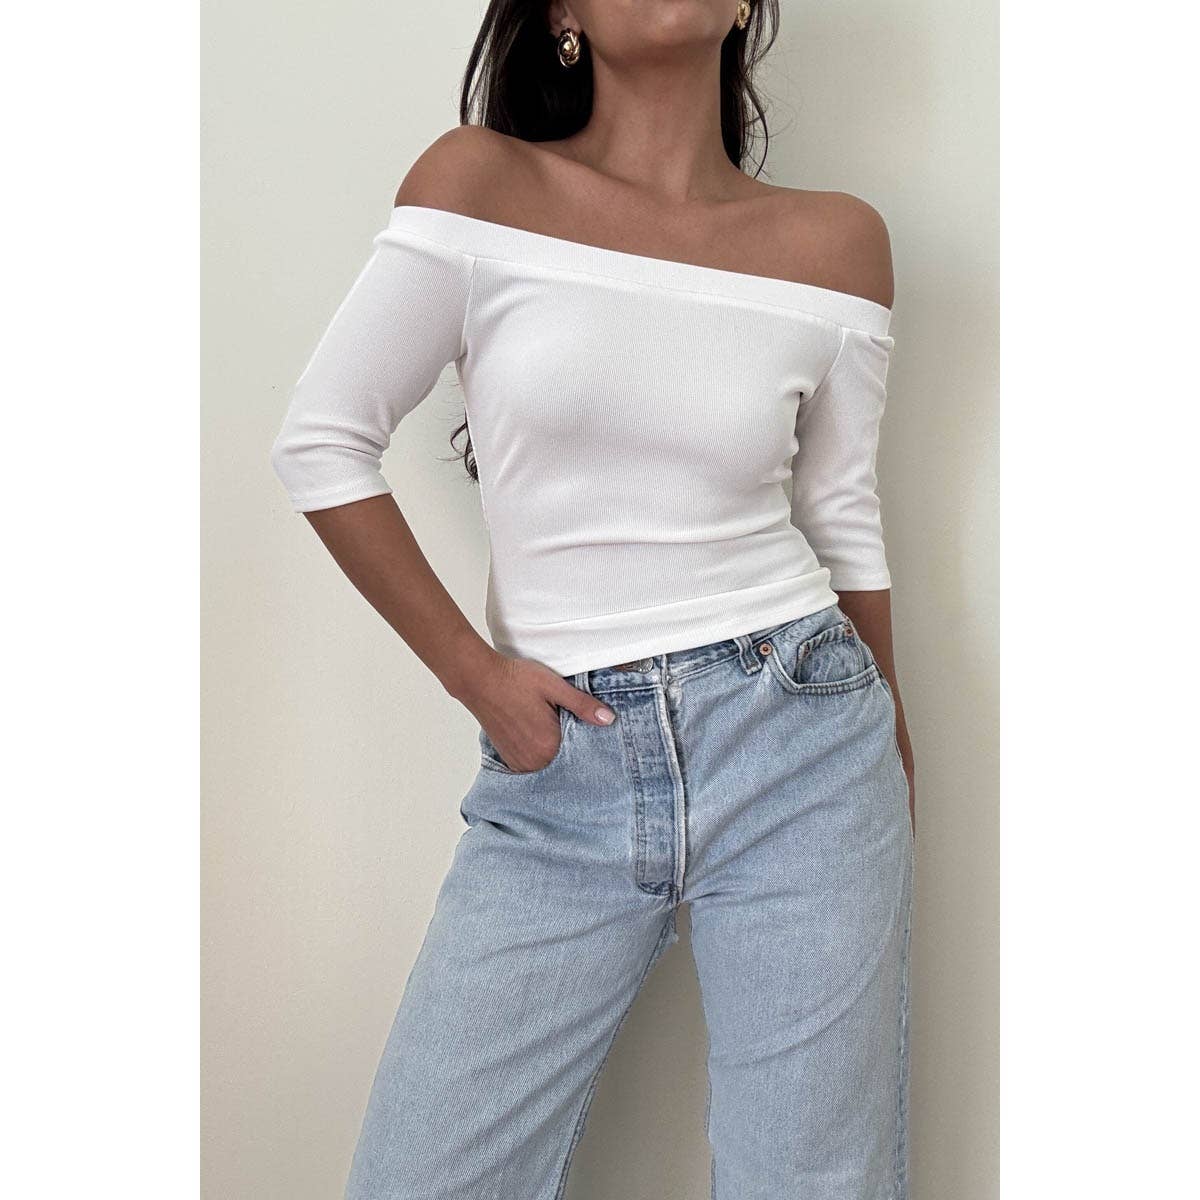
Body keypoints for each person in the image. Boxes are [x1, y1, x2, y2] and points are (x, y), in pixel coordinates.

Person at [270, 2, 916, 1196]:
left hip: (806, 745)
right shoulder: (479, 184)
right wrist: (478, 679)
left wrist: (889, 743)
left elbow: (843, 520)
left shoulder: (837, 241)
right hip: (560, 764)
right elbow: (321, 441)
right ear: (560, 13)